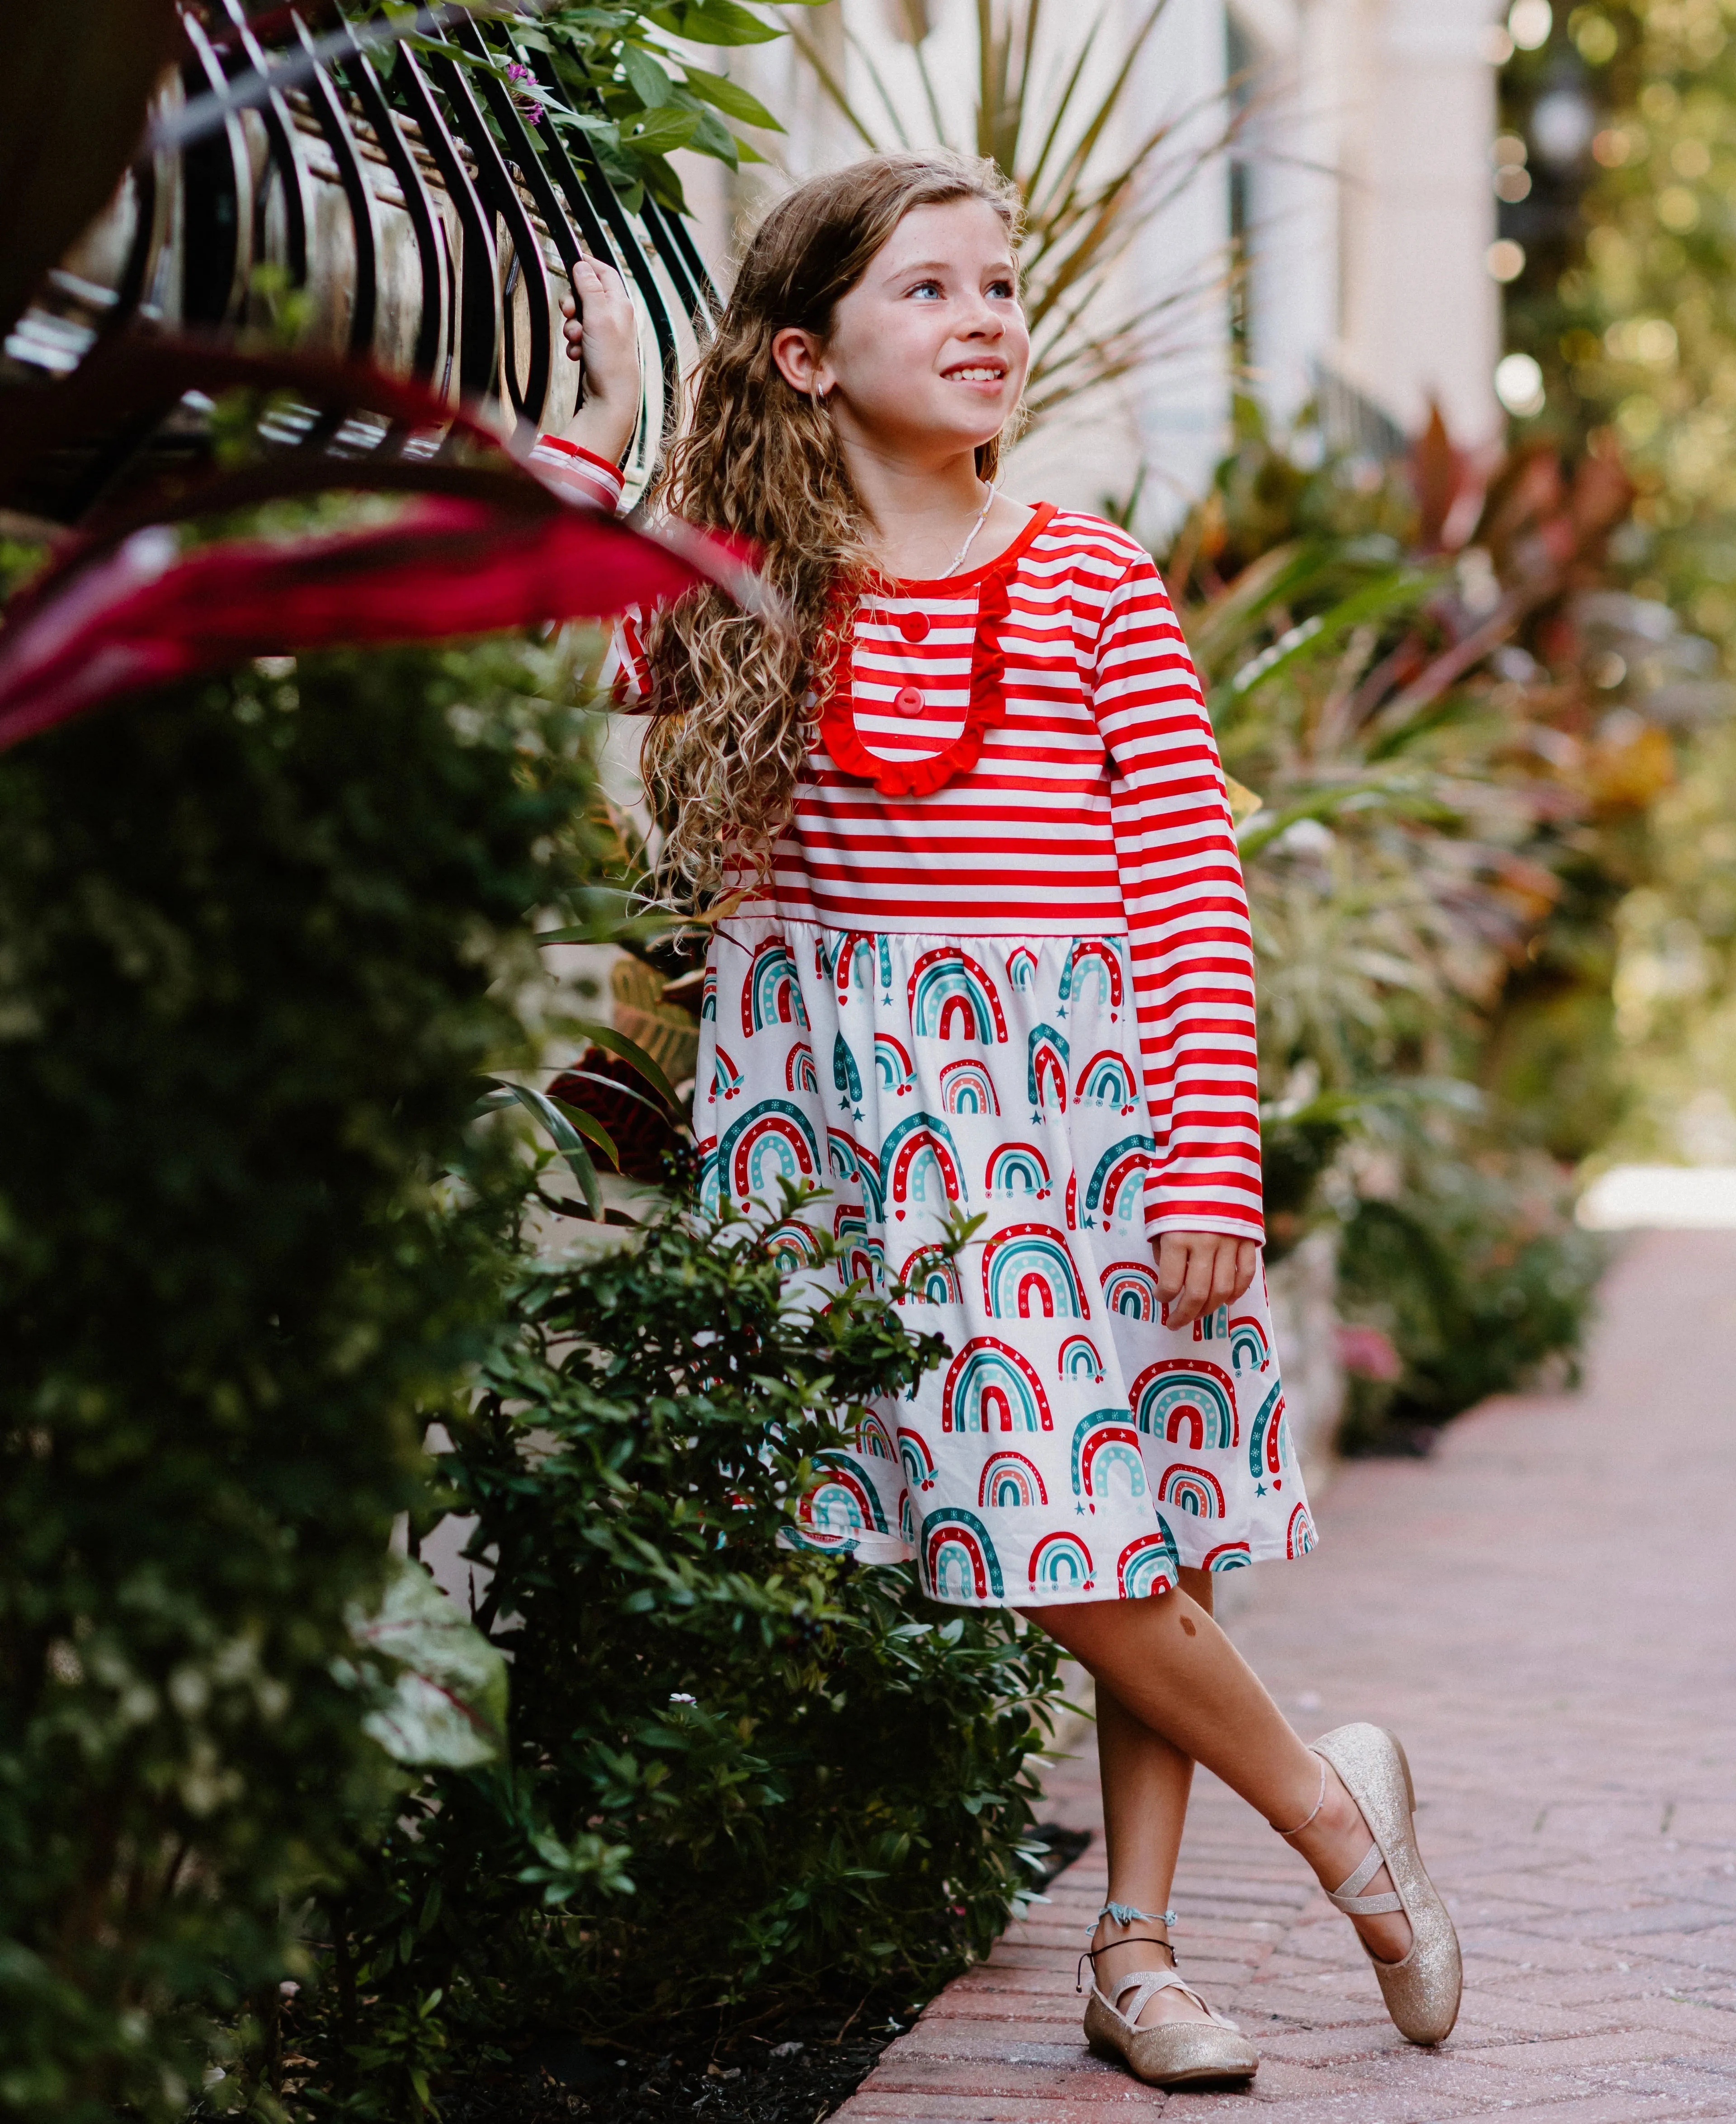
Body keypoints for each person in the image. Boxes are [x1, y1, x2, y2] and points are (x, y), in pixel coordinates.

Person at [549, 153, 1461, 2090]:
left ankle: (1137, 1951)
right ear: (802, 355)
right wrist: (600, 441)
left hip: (1088, 1118)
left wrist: (1211, 1153)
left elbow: (1191, 889)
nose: (985, 320)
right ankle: (1337, 1814)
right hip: (877, 1135)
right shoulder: (742, 591)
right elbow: (576, 631)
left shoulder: (1088, 576)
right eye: (929, 292)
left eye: (1000, 288)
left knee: (1123, 1524)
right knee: (1061, 1527)